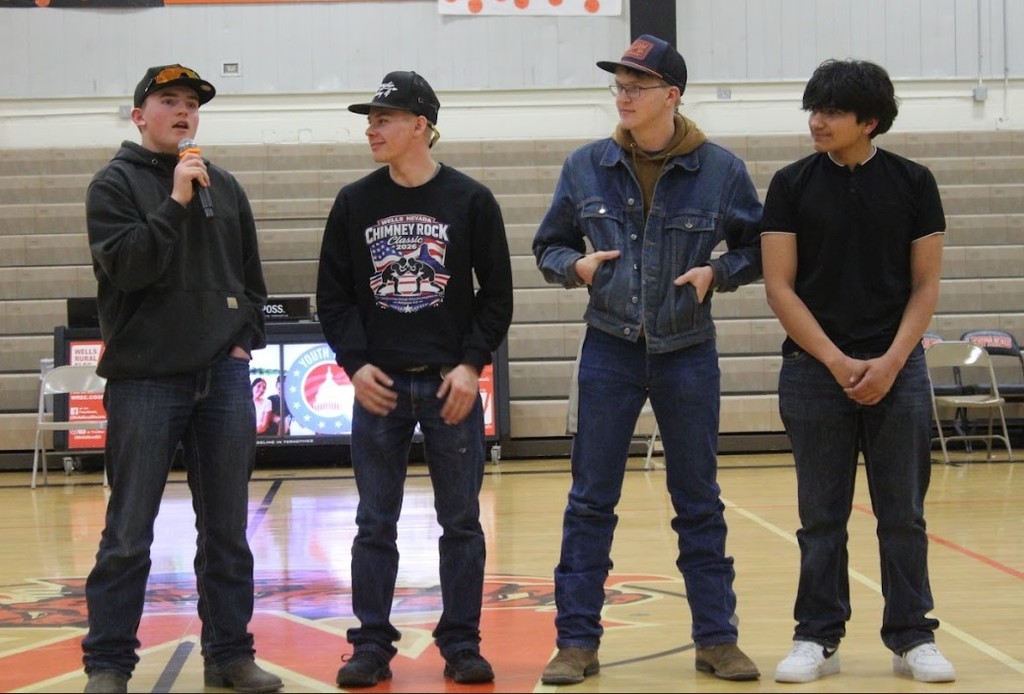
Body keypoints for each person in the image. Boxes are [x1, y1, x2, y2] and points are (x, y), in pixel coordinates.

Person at [532, 35, 763, 685]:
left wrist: (718, 273)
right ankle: (576, 643)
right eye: (620, 84)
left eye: (637, 84)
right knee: (590, 501)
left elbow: (759, 245)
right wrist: (573, 267)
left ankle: (717, 640)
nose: (624, 95)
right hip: (608, 348)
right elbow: (549, 246)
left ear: (671, 95)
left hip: (688, 352)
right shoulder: (587, 166)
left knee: (698, 500)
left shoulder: (721, 170)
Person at [81, 64, 282, 694]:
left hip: (220, 381)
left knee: (226, 532)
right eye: (168, 101)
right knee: (128, 534)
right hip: (145, 382)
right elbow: (131, 269)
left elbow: (252, 282)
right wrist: (174, 201)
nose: (183, 112)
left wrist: (244, 342)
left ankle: (229, 656)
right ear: (139, 115)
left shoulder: (225, 186)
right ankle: (109, 665)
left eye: (191, 103)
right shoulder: (112, 186)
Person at [315, 70, 514, 688]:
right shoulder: (355, 201)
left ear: (420, 125)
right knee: (375, 521)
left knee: (461, 522)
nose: (371, 130)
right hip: (380, 387)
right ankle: (370, 644)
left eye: (383, 119)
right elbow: (334, 296)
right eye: (370, 120)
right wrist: (355, 364)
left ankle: (460, 642)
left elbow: (497, 296)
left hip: (448, 386)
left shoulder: (471, 200)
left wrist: (469, 365)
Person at [760, 59, 955, 684]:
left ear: (869, 120)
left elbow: (925, 287)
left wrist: (892, 361)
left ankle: (911, 636)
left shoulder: (914, 182)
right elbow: (779, 287)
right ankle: (817, 635)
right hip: (815, 373)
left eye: (832, 112)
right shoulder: (790, 183)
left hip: (899, 369)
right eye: (813, 110)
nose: (817, 121)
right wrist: (839, 361)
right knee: (821, 517)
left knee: (903, 513)